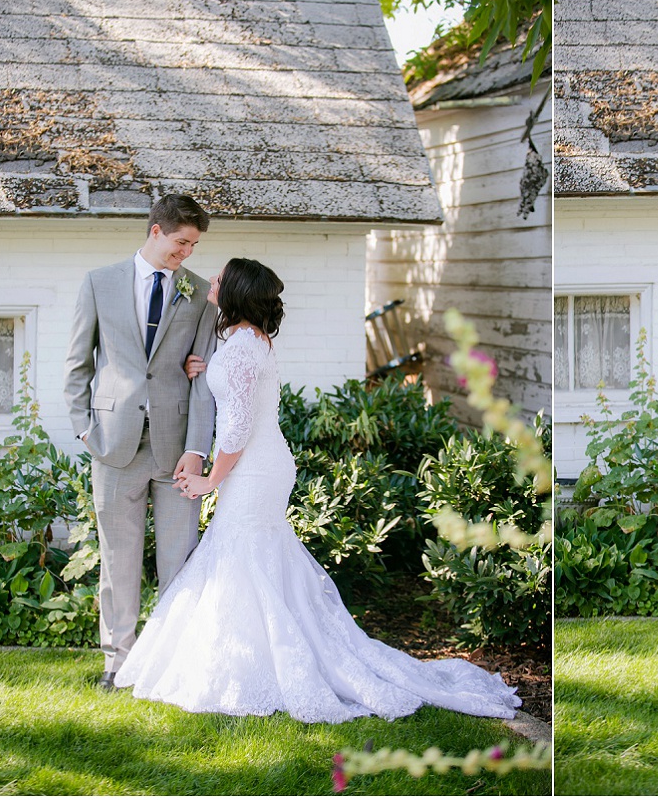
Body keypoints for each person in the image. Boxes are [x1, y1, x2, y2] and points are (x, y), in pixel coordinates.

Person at [114, 259, 521, 722]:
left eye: (222, 278)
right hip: (261, 464)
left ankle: (252, 666)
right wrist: (203, 369)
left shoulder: (244, 346)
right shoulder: (246, 341)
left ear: (237, 293)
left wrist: (211, 479)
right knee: (253, 557)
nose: (213, 280)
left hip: (253, 466)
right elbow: (239, 393)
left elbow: (239, 428)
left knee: (238, 556)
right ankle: (261, 655)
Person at [64, 194, 218, 691]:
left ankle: (171, 663)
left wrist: (198, 450)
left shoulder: (198, 293)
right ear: (156, 231)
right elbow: (78, 367)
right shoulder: (99, 282)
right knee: (119, 560)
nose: (187, 254)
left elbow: (202, 379)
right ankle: (118, 662)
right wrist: (84, 428)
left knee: (178, 560)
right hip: (114, 445)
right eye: (181, 243)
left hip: (176, 451)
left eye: (194, 245)